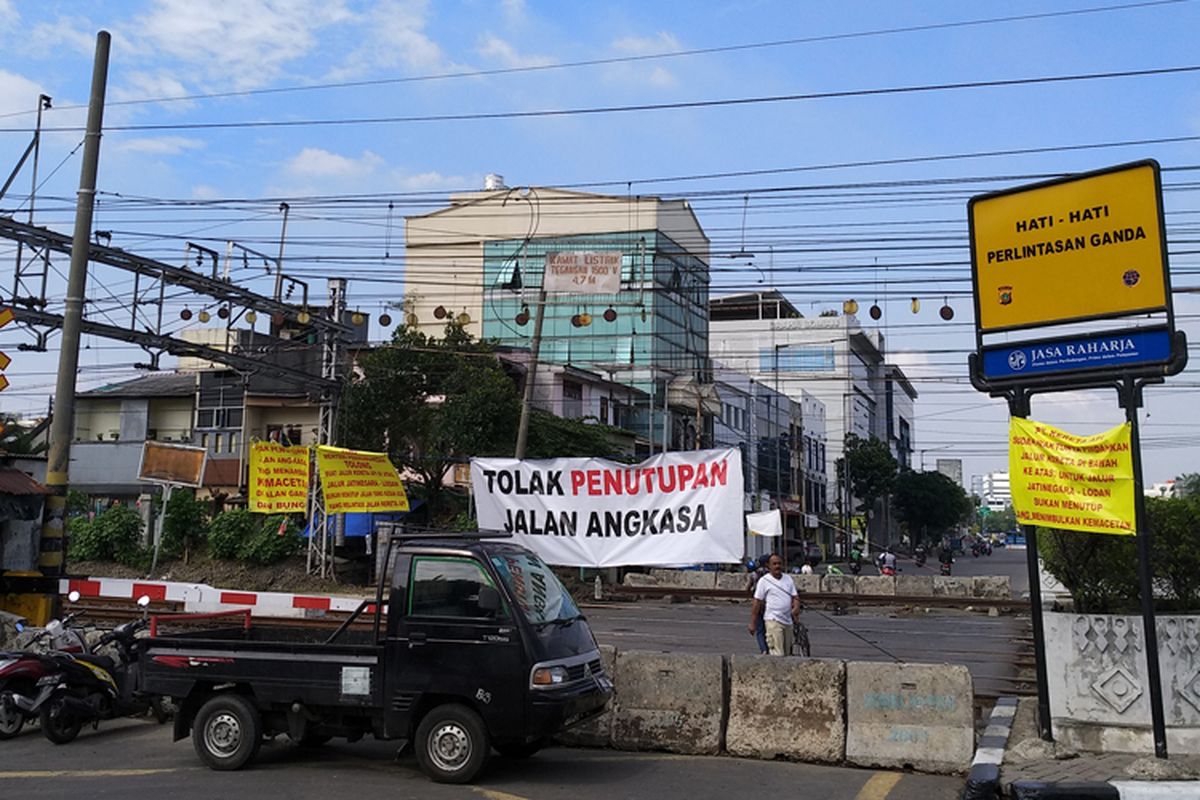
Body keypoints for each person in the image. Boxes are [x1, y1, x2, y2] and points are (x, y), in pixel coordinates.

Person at [748, 554, 800, 656]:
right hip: (773, 620)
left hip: (787, 621)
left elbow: (795, 597)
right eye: (774, 564)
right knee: (777, 654)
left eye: (779, 563)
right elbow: (757, 602)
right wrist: (753, 623)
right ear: (769, 566)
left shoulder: (788, 579)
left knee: (787, 653)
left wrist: (796, 608)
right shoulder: (764, 581)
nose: (777, 566)